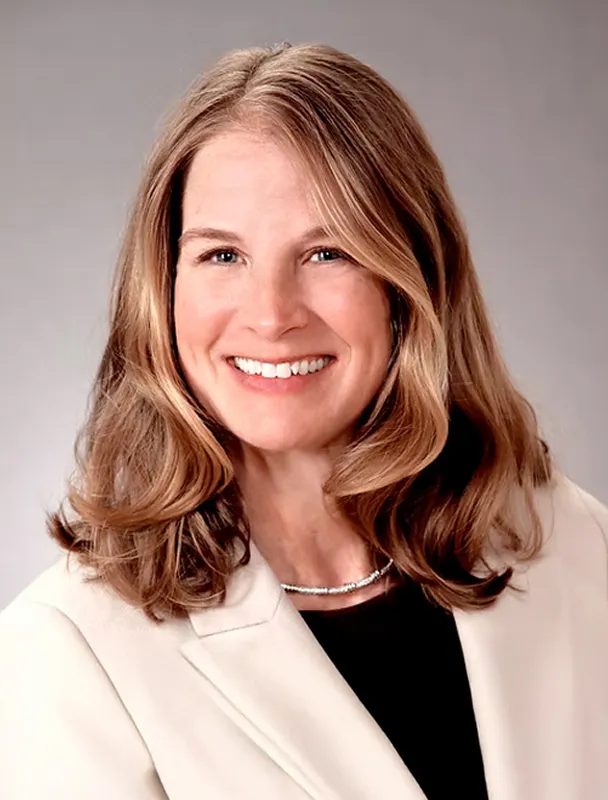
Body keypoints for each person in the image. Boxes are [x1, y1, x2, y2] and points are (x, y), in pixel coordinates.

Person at [0, 41, 606, 800]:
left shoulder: (574, 544)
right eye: (222, 256)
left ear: (410, 279)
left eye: (326, 253)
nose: (271, 315)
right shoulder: (69, 653)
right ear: (164, 287)